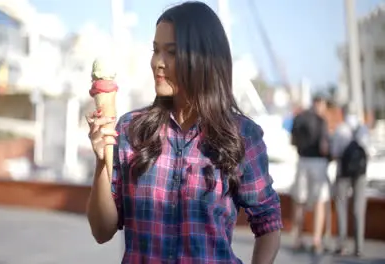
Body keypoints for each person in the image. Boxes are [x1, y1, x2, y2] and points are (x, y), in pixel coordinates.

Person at [85, 2, 282, 263]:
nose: (158, 62)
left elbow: (268, 223)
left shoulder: (242, 135)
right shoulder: (131, 129)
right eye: (155, 51)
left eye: (172, 52)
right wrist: (101, 162)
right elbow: (102, 231)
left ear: (204, 58)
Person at [290, 95, 331, 253]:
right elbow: (324, 147)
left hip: (302, 161)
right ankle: (316, 239)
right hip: (318, 163)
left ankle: (297, 238)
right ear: (319, 104)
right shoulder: (321, 121)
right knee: (320, 201)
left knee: (299, 201)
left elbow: (292, 141)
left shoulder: (298, 118)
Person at [331, 104, 369, 257]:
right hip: (360, 173)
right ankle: (359, 247)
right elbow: (369, 151)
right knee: (359, 208)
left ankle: (342, 246)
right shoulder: (363, 129)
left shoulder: (341, 129)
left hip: (343, 173)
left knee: (341, 207)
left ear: (343, 112)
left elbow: (334, 153)